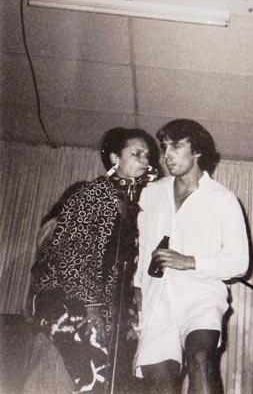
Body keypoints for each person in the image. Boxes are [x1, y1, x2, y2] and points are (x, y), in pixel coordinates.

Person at [30, 127, 160, 393]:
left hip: (100, 305)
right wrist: (91, 303)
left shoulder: (133, 208)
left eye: (147, 156)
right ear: (114, 159)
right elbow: (69, 249)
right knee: (92, 378)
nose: (145, 161)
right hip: (66, 298)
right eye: (136, 154)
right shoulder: (91, 194)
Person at [133, 119, 250, 394]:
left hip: (201, 294)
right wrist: (137, 289)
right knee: (158, 382)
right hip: (156, 302)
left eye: (175, 146)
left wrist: (189, 262)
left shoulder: (223, 199)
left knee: (200, 358)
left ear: (196, 150)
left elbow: (239, 263)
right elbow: (141, 248)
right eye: (164, 148)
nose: (167, 155)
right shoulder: (151, 193)